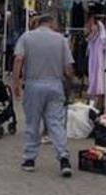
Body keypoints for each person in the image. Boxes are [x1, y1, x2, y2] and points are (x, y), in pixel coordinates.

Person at [11, 13, 74, 177]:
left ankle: (29, 159)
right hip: (55, 84)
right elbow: (68, 67)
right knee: (56, 123)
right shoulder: (61, 40)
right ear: (51, 23)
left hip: (33, 84)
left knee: (33, 122)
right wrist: (69, 81)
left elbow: (18, 59)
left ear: (38, 23)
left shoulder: (27, 37)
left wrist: (15, 83)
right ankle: (64, 159)